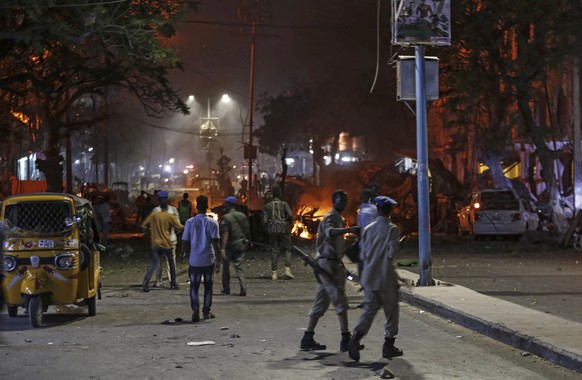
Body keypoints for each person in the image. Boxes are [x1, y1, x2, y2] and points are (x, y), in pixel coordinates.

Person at [300, 190, 360, 352]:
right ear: (334, 201)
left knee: (321, 303)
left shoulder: (339, 219)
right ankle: (346, 339)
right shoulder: (330, 218)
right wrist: (350, 230)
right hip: (327, 265)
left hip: (333, 263)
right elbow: (329, 232)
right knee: (340, 302)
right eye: (340, 201)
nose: (343, 204)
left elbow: (336, 243)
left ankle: (307, 338)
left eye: (345, 201)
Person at [348, 195, 403, 362]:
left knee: (370, 311)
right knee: (392, 313)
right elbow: (391, 254)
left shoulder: (368, 229)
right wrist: (399, 244)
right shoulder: (393, 229)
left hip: (370, 277)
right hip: (386, 277)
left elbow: (363, 254)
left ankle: (355, 338)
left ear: (377, 210)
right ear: (390, 211)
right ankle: (388, 346)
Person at [182, 195, 221, 322]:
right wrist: (219, 259)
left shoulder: (189, 222)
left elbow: (185, 242)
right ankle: (206, 312)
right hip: (208, 260)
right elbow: (215, 242)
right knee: (208, 287)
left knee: (194, 286)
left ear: (196, 207)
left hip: (194, 261)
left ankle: (195, 309)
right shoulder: (213, 222)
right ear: (207, 207)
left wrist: (187, 256)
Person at [141, 197, 184, 292]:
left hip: (156, 243)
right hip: (167, 243)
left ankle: (146, 282)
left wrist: (148, 233)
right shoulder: (170, 216)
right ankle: (173, 283)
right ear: (167, 206)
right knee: (171, 264)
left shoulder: (154, 215)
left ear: (160, 205)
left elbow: (144, 225)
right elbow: (180, 227)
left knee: (153, 264)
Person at [219, 196, 250, 296]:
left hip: (230, 245)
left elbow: (225, 233)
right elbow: (247, 229)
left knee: (226, 268)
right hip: (241, 244)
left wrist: (223, 249)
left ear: (228, 205)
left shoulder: (226, 217)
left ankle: (226, 289)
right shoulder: (242, 216)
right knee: (239, 267)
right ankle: (243, 288)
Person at [263, 186, 294, 280]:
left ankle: (274, 273)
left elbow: (264, 221)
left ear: (272, 194)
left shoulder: (267, 206)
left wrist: (266, 227)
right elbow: (291, 215)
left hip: (273, 229)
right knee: (288, 248)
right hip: (284, 228)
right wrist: (287, 221)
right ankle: (287, 270)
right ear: (280, 194)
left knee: (274, 250)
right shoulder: (284, 204)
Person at [152, 191, 180, 288]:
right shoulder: (173, 210)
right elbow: (178, 226)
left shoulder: (155, 211)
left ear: (159, 199)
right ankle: (173, 282)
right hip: (171, 240)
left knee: (158, 262)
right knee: (171, 262)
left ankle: (158, 282)